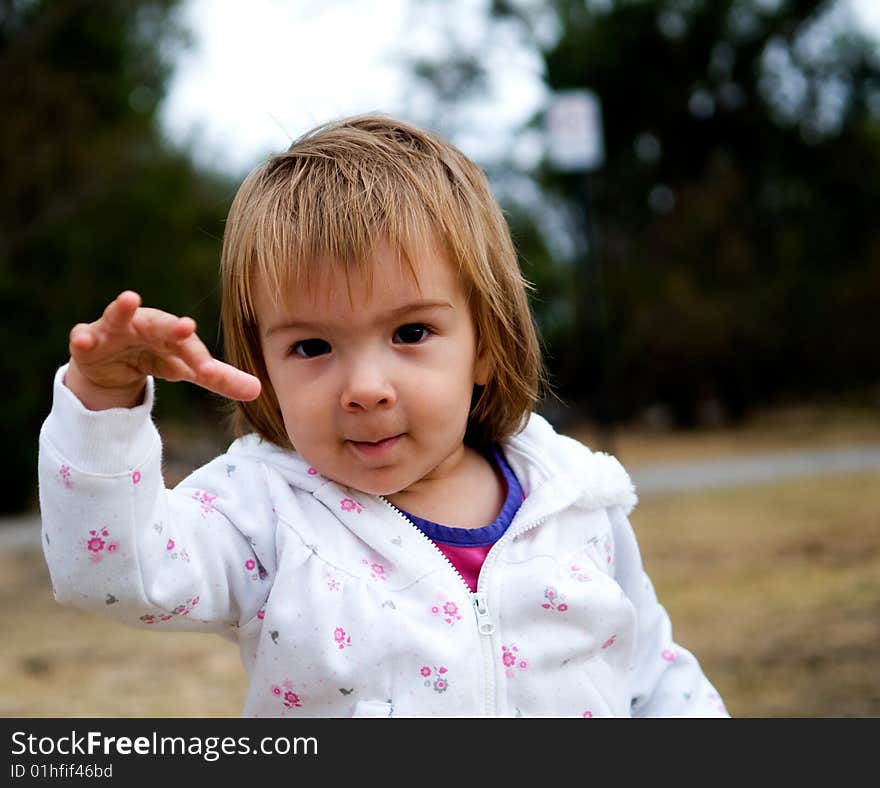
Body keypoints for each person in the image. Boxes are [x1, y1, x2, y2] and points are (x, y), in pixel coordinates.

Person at [38, 113, 728, 718]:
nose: (365, 388)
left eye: (410, 334)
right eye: (312, 346)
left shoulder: (575, 499)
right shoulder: (262, 513)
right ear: (264, 366)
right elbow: (112, 574)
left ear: (485, 345)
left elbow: (651, 677)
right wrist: (104, 405)